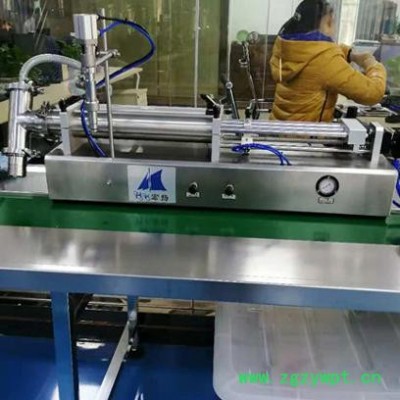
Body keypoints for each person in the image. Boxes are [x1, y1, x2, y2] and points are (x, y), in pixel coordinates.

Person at [270, 0, 387, 122]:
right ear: (329, 22)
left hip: (279, 127)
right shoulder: (325, 59)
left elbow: (319, 52)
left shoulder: (288, 46)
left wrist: (350, 54)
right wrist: (372, 64)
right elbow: (373, 93)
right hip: (307, 131)